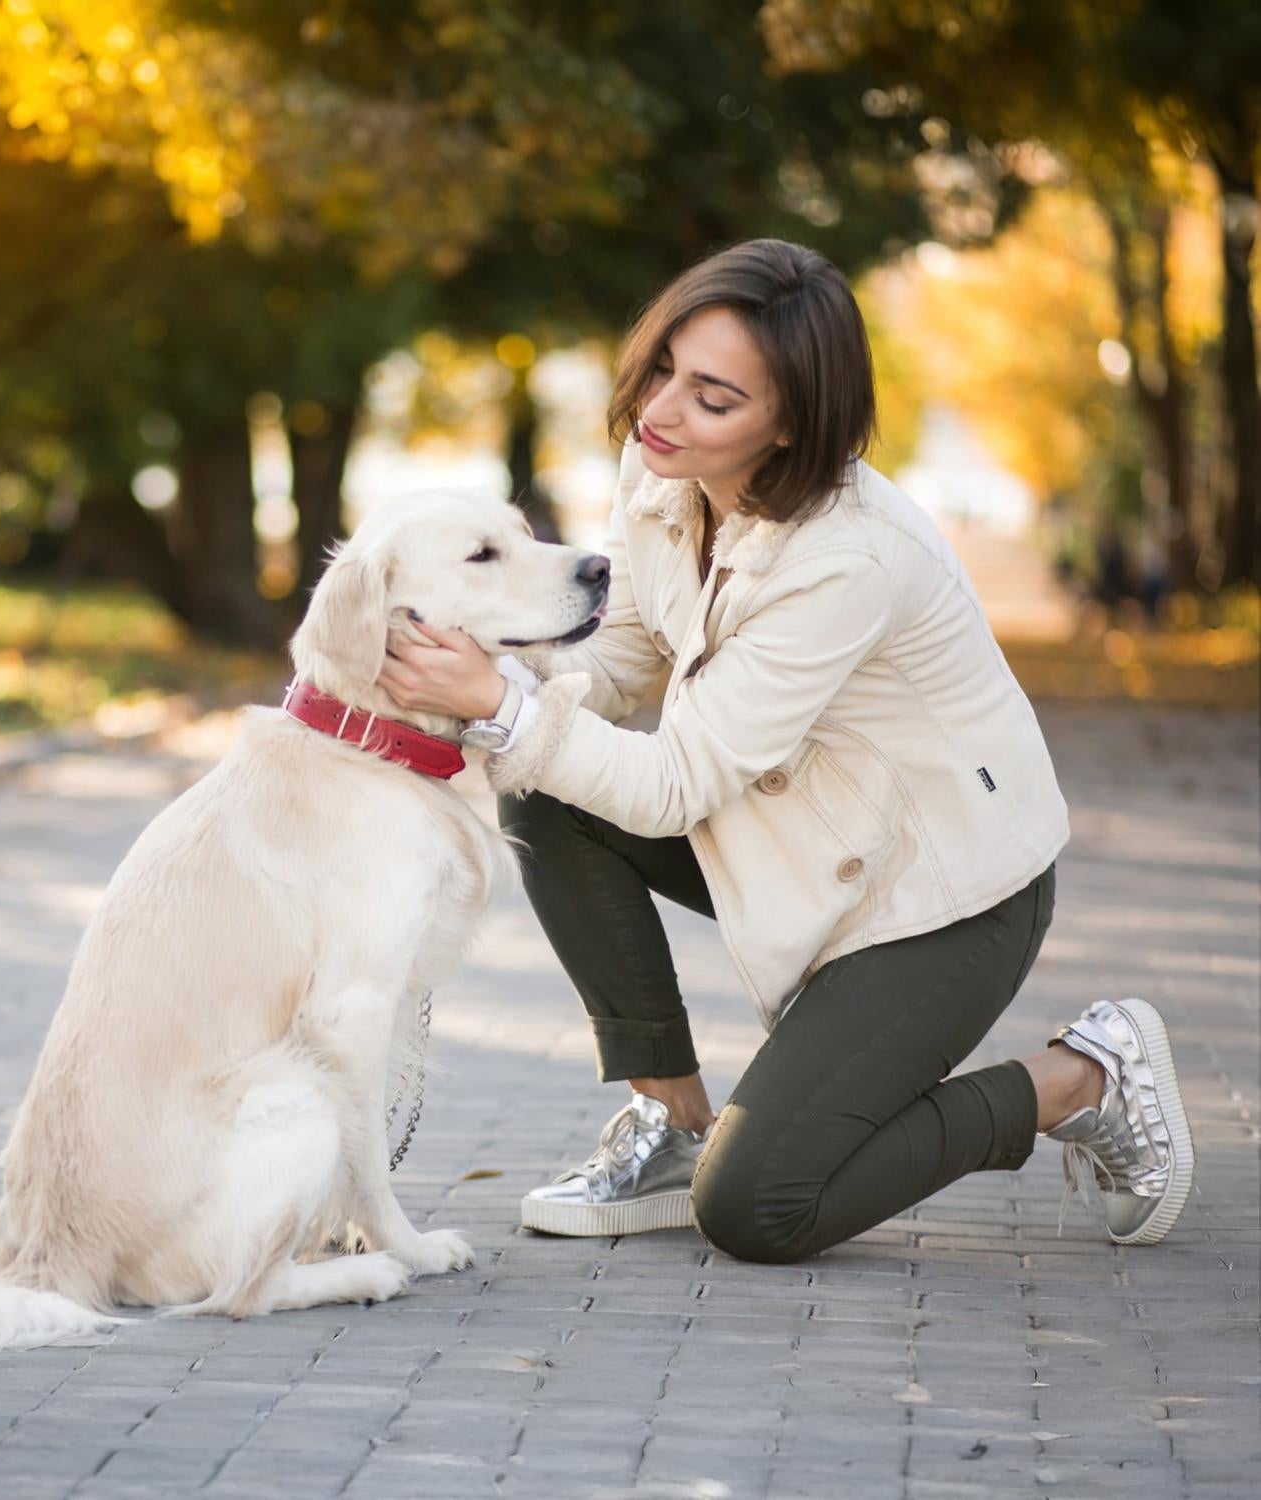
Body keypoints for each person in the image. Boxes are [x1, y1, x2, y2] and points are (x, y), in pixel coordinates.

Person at [376, 239, 1193, 1262]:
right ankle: (671, 1124)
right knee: (542, 784)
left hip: (935, 896)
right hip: (787, 833)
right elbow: (626, 658)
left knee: (761, 1207)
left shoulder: (847, 556)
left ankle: (1083, 1078)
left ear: (792, 422)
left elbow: (673, 784)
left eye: (713, 398)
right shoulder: (662, 466)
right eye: (665, 367)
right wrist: (481, 691)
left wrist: (501, 703)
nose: (664, 410)